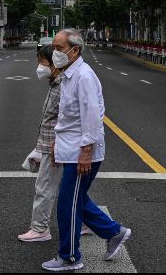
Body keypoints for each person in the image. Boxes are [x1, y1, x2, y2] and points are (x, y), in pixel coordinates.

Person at [42, 28, 131, 272]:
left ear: (75, 50)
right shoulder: (69, 74)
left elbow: (92, 117)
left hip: (82, 152)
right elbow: (68, 117)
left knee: (67, 203)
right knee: (75, 200)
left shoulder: (84, 77)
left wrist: (85, 152)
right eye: (54, 47)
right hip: (70, 148)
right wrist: (56, 143)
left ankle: (70, 257)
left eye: (59, 48)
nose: (54, 52)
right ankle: (114, 232)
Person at [18, 45, 91, 243]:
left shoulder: (62, 87)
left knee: (44, 187)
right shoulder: (56, 84)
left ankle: (40, 229)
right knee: (68, 188)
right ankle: (86, 222)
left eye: (42, 62)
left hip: (55, 147)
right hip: (51, 144)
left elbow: (67, 119)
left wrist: (55, 145)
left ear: (54, 65)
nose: (39, 67)